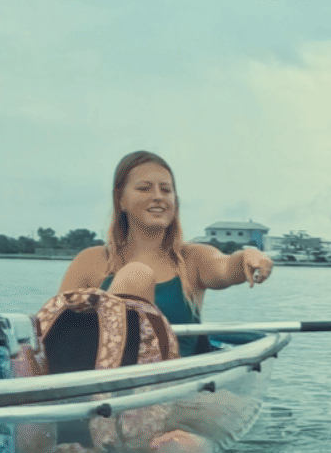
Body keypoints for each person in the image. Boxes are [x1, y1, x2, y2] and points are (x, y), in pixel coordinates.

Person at [54, 150, 272, 356]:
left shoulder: (193, 258)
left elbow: (225, 267)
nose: (158, 196)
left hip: (175, 377)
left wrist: (247, 256)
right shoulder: (89, 261)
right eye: (144, 188)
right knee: (135, 276)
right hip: (104, 373)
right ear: (121, 199)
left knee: (136, 276)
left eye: (166, 190)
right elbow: (55, 330)